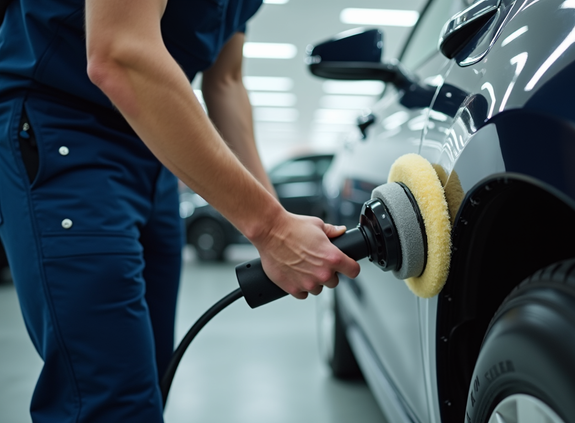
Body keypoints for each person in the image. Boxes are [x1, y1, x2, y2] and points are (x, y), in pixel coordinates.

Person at [0, 0, 361, 421]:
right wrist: (272, 230)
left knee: (148, 378)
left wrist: (277, 219)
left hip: (153, 151)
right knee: (108, 396)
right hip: (62, 127)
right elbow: (118, 52)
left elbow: (225, 83)